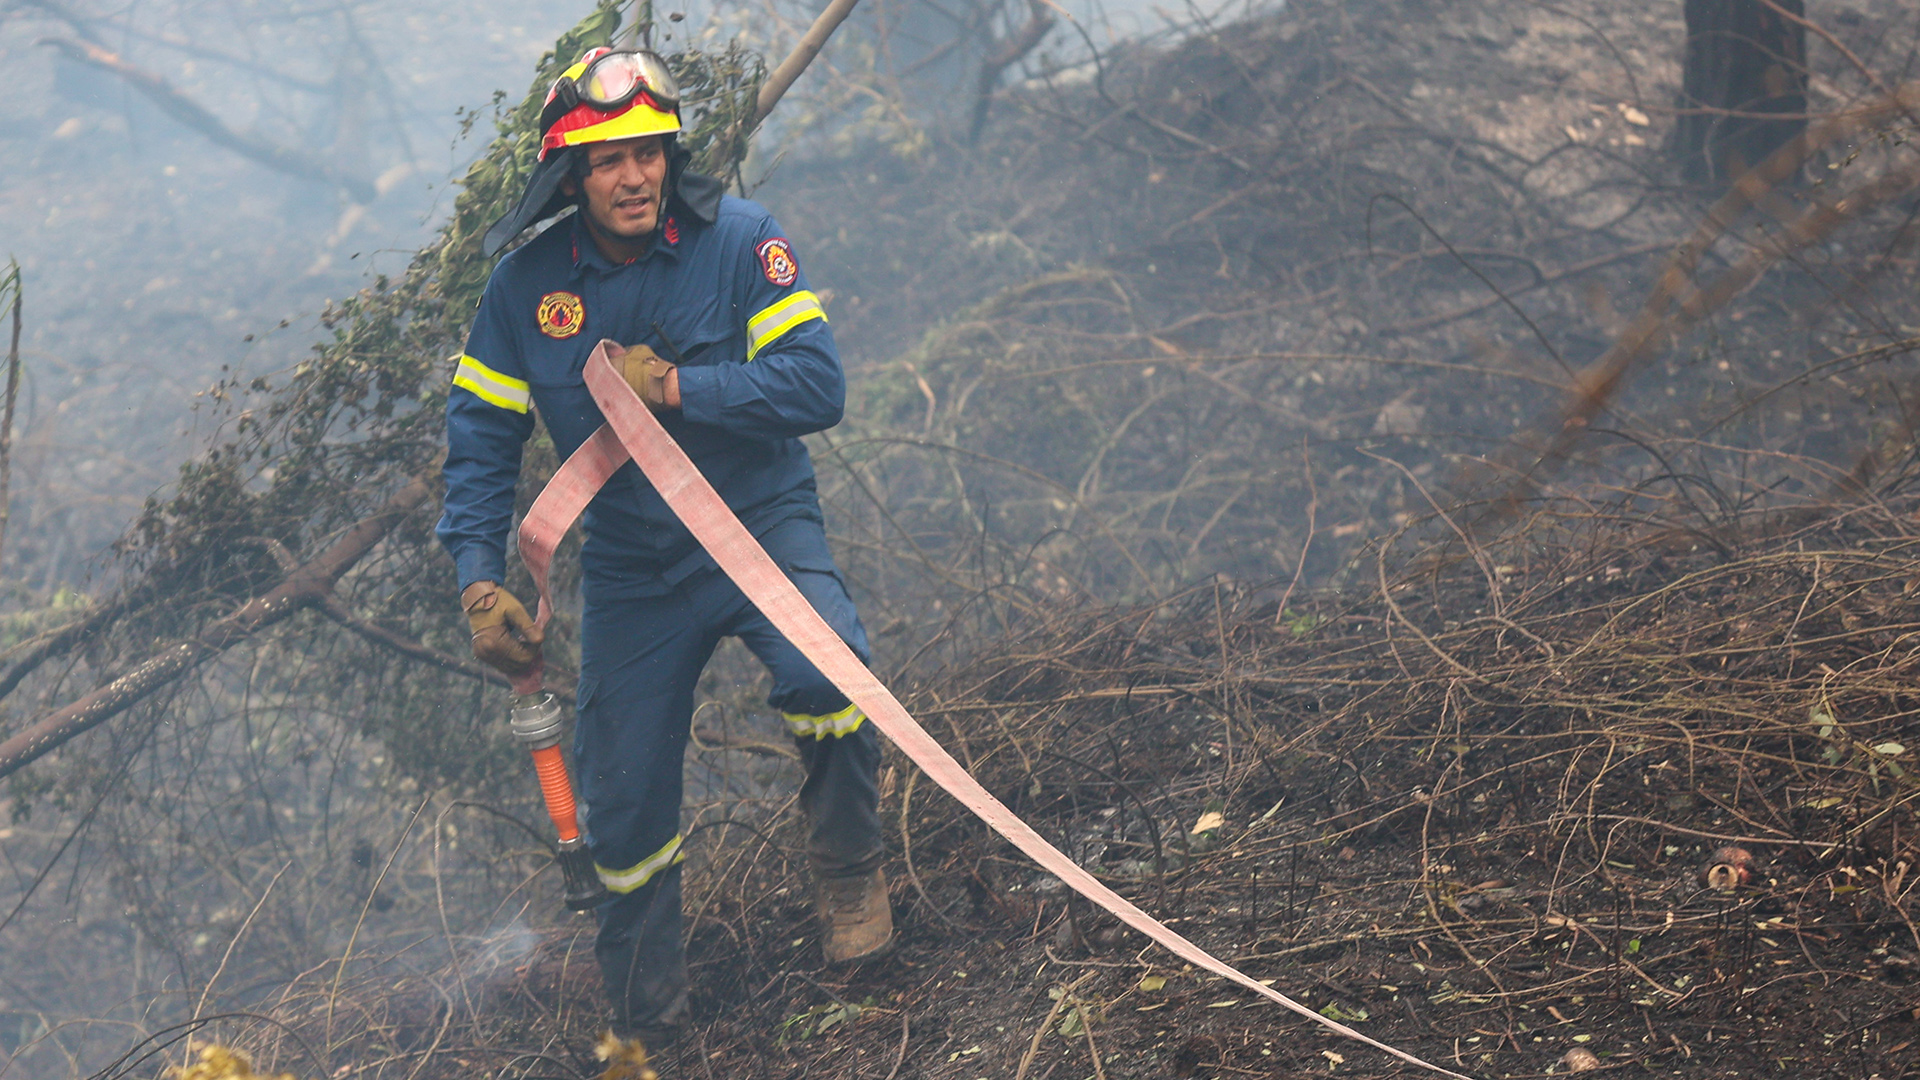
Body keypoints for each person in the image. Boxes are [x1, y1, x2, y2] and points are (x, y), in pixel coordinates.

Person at [435, 46, 891, 1041]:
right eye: (606, 160)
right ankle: (653, 1026)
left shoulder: (741, 243)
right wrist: (478, 584)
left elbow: (819, 387)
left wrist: (682, 388)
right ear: (570, 176)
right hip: (639, 571)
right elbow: (478, 447)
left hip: (760, 523)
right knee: (625, 807)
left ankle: (851, 875)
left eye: (647, 151)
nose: (633, 174)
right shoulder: (524, 293)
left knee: (830, 676)